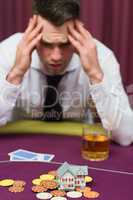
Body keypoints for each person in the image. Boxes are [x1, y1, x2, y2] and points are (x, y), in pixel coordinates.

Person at [0, 0, 133, 146]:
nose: (56, 56)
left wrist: (95, 73)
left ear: (78, 30)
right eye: (46, 44)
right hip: (18, 141)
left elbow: (126, 136)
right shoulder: (8, 52)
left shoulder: (100, 56)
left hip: (78, 144)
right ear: (31, 31)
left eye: (65, 44)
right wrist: (16, 73)